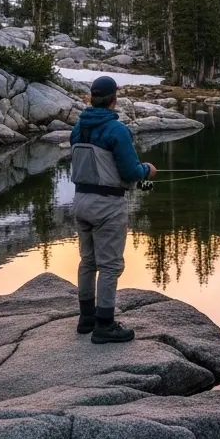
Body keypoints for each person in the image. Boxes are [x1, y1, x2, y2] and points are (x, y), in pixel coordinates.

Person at [69, 76, 157, 344]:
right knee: (110, 266)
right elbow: (130, 172)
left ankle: (86, 319)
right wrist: (148, 171)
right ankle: (104, 326)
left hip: (81, 201)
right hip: (107, 205)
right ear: (113, 99)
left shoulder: (77, 128)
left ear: (92, 98)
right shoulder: (116, 130)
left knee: (88, 262)